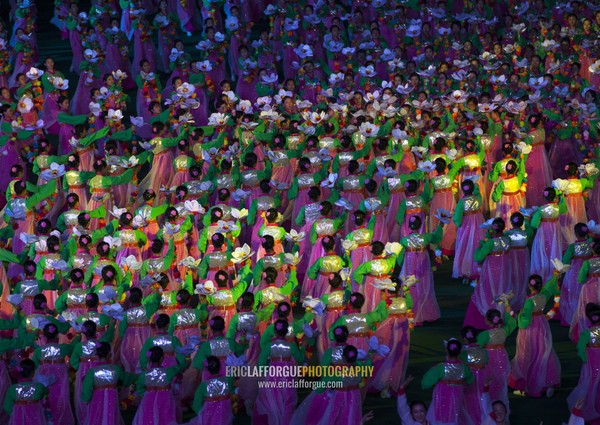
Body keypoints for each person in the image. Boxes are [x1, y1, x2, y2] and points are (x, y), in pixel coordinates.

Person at [508, 275, 561, 397]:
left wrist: (511, 312)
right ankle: (548, 382)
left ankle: (525, 385)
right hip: (542, 325)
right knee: (543, 352)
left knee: (527, 353)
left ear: (529, 286)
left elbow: (524, 321)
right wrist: (556, 275)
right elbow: (550, 287)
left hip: (530, 329)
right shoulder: (543, 296)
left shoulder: (529, 301)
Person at [421, 338, 474, 425]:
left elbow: (426, 382)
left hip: (441, 396)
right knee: (455, 415)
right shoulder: (464, 368)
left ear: (447, 351)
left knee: (438, 415)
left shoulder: (441, 367)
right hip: (457, 397)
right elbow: (470, 380)